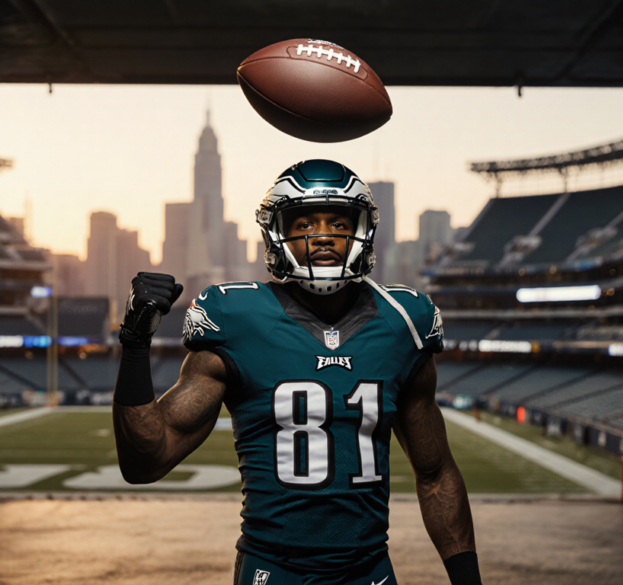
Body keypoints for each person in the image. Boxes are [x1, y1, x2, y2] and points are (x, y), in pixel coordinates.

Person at [112, 159, 481, 585]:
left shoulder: (403, 322)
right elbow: (145, 461)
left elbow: (435, 474)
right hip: (273, 570)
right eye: (304, 223)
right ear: (276, 233)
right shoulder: (237, 318)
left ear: (363, 232)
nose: (323, 235)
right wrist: (135, 344)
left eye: (339, 222)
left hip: (369, 571)